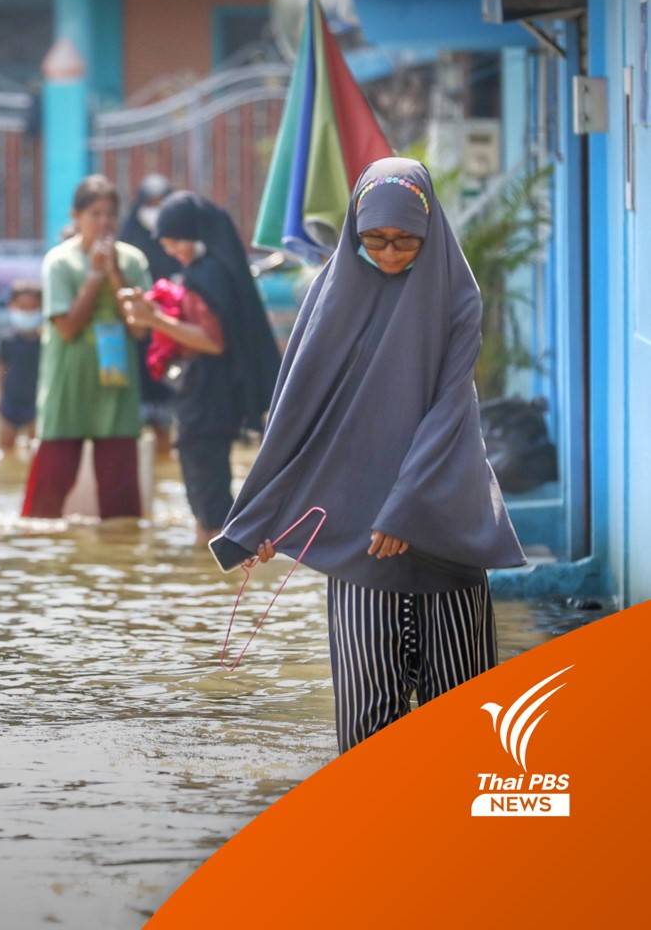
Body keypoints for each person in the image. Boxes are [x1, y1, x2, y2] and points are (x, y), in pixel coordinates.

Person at [209, 159, 526, 753]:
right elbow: (298, 415)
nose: (389, 253)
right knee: (367, 723)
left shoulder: (455, 298)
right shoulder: (331, 301)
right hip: (356, 537)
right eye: (373, 240)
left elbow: (451, 411)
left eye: (406, 240)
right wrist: (262, 517)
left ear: (430, 232)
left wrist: (406, 509)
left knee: (462, 718)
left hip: (442, 523)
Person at [119, 192, 280, 542]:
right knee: (206, 486)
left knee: (208, 493)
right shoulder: (210, 271)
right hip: (212, 394)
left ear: (195, 235)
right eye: (168, 244)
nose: (172, 250)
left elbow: (212, 340)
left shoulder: (208, 275)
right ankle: (212, 562)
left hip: (210, 397)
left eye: (177, 242)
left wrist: (155, 319)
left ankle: (220, 562)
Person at [21, 176, 150, 519]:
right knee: (49, 489)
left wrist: (115, 274)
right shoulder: (60, 261)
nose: (104, 222)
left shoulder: (132, 260)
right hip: (69, 380)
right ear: (76, 216)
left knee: (120, 497)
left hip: (116, 380)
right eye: (95, 213)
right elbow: (66, 328)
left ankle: (121, 560)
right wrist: (94, 277)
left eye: (110, 215)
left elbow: (139, 328)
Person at [120, 174, 182, 455]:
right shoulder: (127, 245)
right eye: (150, 203)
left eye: (161, 203)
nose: (155, 210)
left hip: (170, 334)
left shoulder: (178, 243)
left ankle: (163, 460)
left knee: (163, 420)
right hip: (133, 339)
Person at [0, 281, 43, 457]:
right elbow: (1, 368)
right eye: (22, 307)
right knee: (5, 447)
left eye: (32, 307)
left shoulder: (45, 340)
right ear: (12, 306)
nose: (27, 312)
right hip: (11, 401)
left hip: (36, 402)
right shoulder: (6, 339)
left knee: (36, 448)